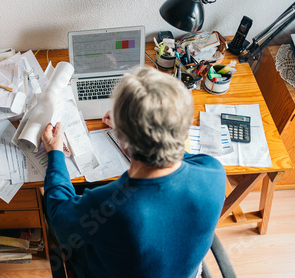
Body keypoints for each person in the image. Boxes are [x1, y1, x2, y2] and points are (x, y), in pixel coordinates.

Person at [42, 66, 226, 278]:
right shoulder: (214, 172)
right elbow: (172, 152)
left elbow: (58, 215)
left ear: (124, 142)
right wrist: (136, 132)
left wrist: (55, 153)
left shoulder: (109, 206)